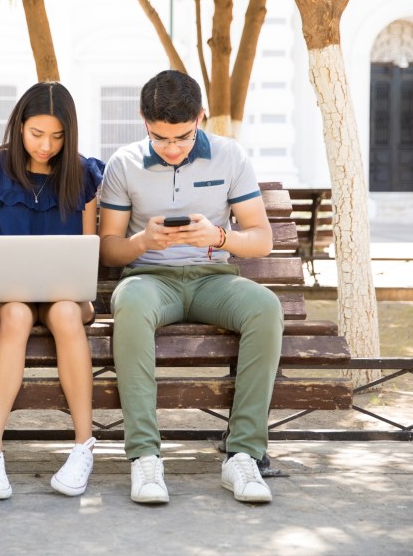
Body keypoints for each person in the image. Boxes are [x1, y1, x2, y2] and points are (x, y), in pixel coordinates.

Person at [98, 69, 283, 504]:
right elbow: (108, 249)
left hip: (212, 280)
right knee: (129, 301)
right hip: (150, 281)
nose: (174, 148)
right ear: (144, 120)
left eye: (183, 136)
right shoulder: (124, 163)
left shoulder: (229, 155)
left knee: (265, 307)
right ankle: (145, 457)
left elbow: (261, 238)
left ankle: (243, 454)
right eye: (161, 138)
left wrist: (219, 238)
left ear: (201, 117)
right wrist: (143, 242)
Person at [0, 81, 105, 499]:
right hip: (8, 296)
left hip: (67, 296)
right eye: (36, 134)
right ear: (19, 126)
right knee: (16, 313)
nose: (46, 145)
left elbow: (88, 251)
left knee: (66, 312)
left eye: (57, 136)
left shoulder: (83, 175)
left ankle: (84, 445)